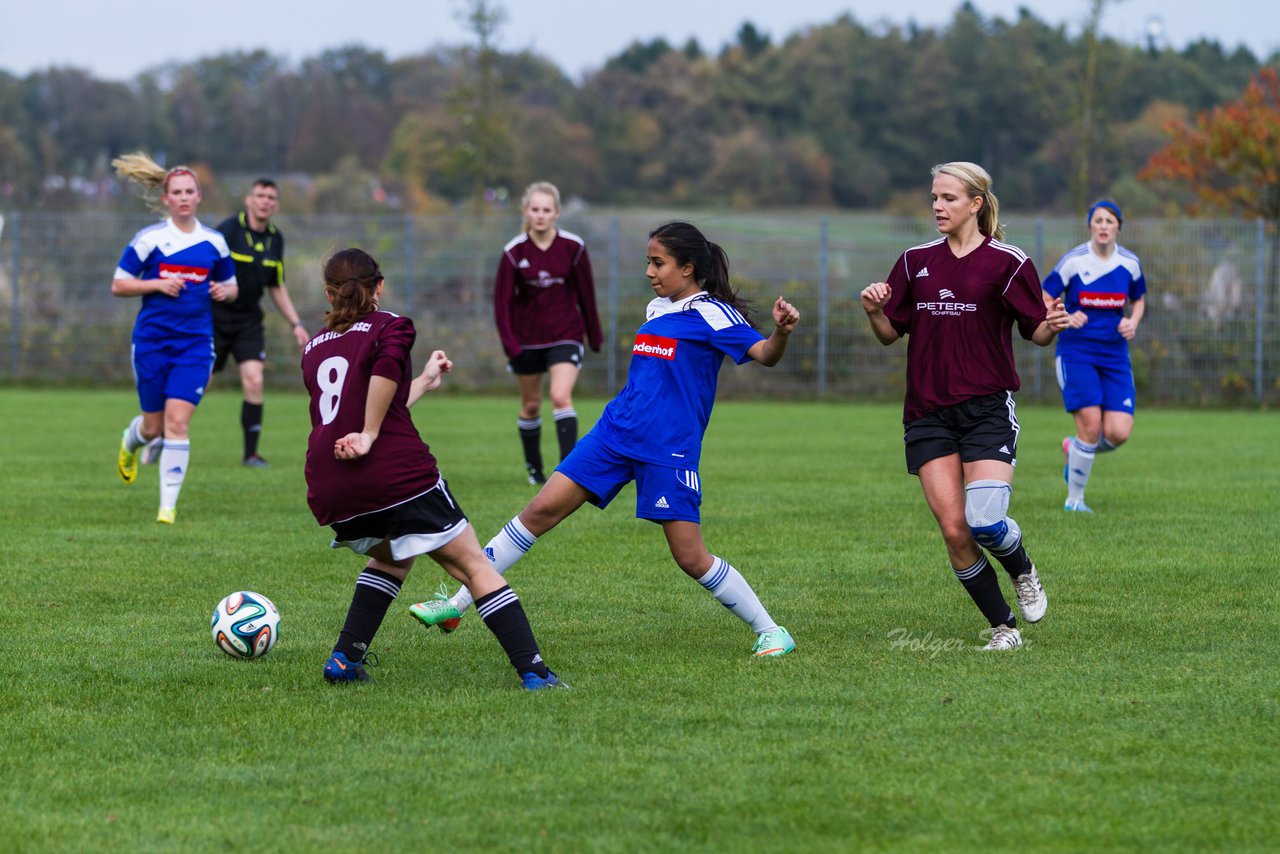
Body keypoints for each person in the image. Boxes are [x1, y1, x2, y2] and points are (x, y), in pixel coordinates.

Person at [414, 221, 799, 658]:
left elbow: (764, 355)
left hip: (666, 448)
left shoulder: (712, 313)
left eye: (658, 263)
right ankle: (457, 604)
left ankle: (771, 631)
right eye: (648, 262)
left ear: (688, 267)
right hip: (614, 434)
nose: (649, 271)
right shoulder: (657, 309)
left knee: (691, 557)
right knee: (538, 512)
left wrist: (781, 332)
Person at [302, 247, 564, 689]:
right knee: (474, 566)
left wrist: (422, 381)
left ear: (329, 294)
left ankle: (345, 659)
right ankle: (535, 672)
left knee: (392, 557)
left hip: (331, 488)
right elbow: (381, 379)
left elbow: (371, 400)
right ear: (378, 287)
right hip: (396, 478)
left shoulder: (312, 347)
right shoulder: (392, 325)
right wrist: (367, 435)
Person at [859, 162, 1069, 651]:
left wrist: (1052, 325)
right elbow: (890, 334)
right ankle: (1004, 629)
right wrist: (873, 310)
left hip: (987, 410)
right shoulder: (914, 262)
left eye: (949, 198)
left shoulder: (1008, 262)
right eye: (934, 197)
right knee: (955, 532)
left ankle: (1023, 569)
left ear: (976, 203)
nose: (937, 206)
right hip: (927, 413)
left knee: (984, 522)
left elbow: (1035, 333)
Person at [111, 152, 238, 524]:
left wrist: (221, 292)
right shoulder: (150, 240)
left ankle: (167, 507)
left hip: (196, 346)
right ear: (166, 199)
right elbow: (118, 284)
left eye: (189, 191)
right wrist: (156, 283)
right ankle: (130, 442)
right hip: (151, 343)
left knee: (177, 423)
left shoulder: (214, 243)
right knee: (153, 427)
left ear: (199, 196)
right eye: (177, 192)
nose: (183, 197)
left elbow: (232, 287)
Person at [494, 181, 603, 485]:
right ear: (526, 212)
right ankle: (535, 471)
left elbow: (586, 295)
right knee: (530, 405)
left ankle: (567, 473)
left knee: (559, 395)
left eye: (546, 209)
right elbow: (501, 305)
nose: (540, 215)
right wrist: (510, 345)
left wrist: (594, 335)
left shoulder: (573, 248)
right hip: (526, 340)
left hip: (565, 334)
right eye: (535, 209)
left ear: (556, 213)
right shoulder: (513, 252)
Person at [1041, 199, 1146, 513]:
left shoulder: (1129, 263)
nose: (1103, 226)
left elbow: (1139, 299)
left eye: (1109, 221)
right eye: (1098, 220)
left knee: (1118, 433)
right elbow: (1045, 296)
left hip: (1114, 354)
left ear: (1118, 227)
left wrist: (1132, 321)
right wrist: (1066, 316)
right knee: (1090, 426)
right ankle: (1075, 500)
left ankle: (1074, 450)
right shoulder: (1074, 260)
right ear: (1090, 225)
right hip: (1077, 352)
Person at [214, 178, 309, 468]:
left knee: (254, 380)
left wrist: (296, 324)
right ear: (249, 200)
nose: (265, 201)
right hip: (214, 318)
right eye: (260, 195)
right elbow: (203, 268)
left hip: (248, 322)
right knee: (196, 383)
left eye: (271, 197)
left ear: (276, 204)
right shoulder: (228, 230)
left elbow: (276, 287)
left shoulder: (275, 239)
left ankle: (251, 454)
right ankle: (164, 434)